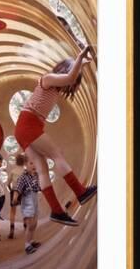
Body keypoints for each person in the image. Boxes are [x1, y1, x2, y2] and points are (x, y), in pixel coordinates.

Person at [14, 45, 97, 226]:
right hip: (28, 123)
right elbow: (69, 77)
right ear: (65, 70)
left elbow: (70, 77)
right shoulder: (48, 78)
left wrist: (81, 65)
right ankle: (80, 192)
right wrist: (80, 58)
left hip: (25, 126)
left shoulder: (54, 87)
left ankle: (57, 211)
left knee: (42, 169)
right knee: (56, 155)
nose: (72, 85)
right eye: (74, 80)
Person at [14, 159, 41, 254]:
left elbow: (40, 187)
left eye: (35, 163)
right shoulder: (23, 177)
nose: (34, 165)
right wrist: (15, 197)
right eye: (31, 163)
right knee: (30, 225)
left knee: (34, 223)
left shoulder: (36, 175)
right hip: (27, 201)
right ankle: (27, 245)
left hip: (35, 200)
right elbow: (17, 188)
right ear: (26, 164)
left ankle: (31, 240)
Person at [7, 152, 27, 239]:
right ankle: (25, 225)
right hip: (23, 191)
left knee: (12, 211)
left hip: (14, 191)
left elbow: (8, 183)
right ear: (24, 162)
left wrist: (10, 189)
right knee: (25, 209)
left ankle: (12, 227)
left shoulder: (13, 171)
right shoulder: (25, 171)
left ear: (16, 162)